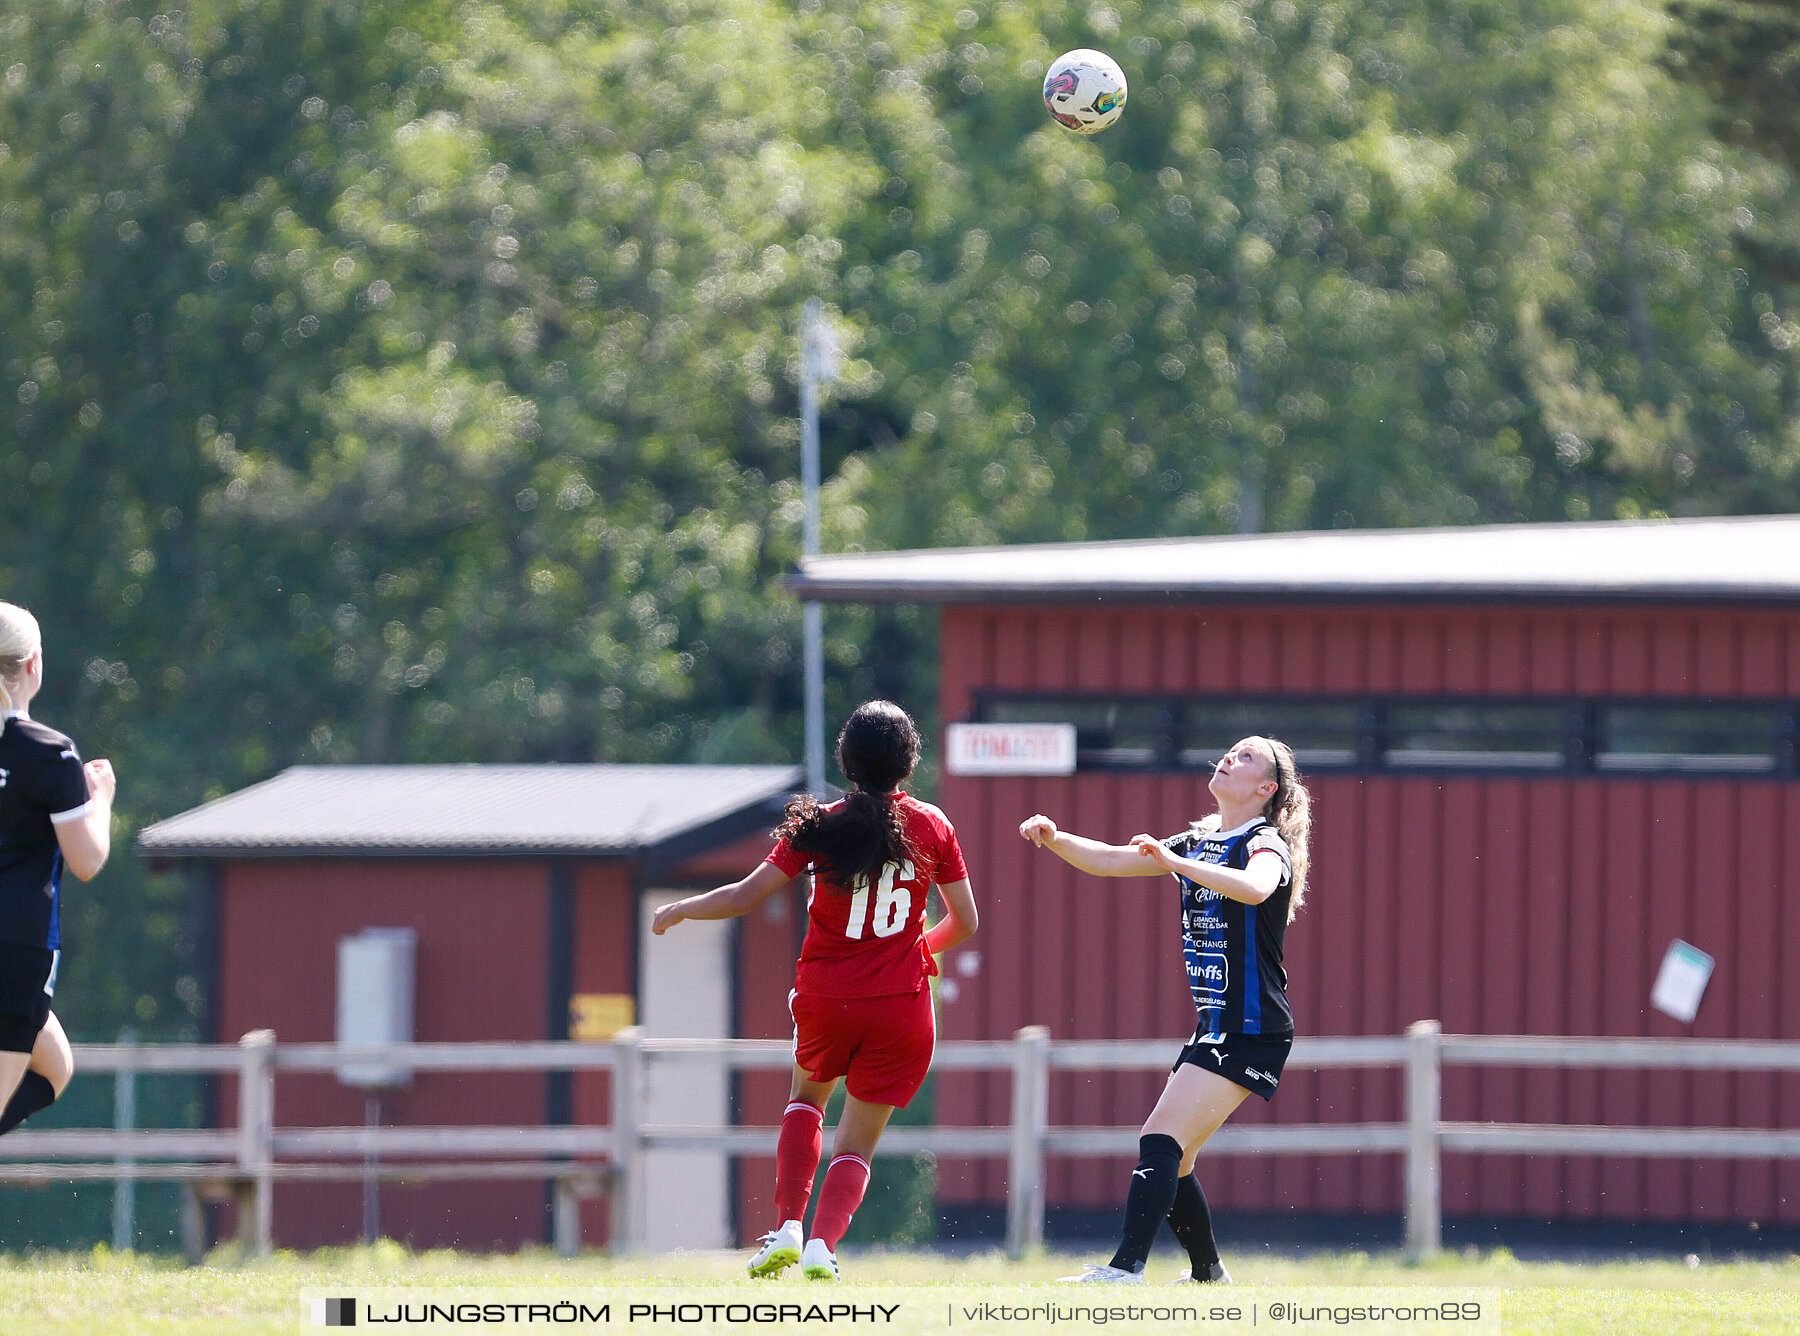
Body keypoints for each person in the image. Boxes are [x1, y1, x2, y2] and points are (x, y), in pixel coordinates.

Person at [652, 700, 977, 1281]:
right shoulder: (933, 824)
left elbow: (743, 896)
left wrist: (680, 908)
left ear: (846, 759)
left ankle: (787, 1227)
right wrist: (917, 951)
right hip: (901, 1007)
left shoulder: (821, 824)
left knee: (807, 1102)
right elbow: (966, 921)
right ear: (909, 762)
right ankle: (823, 1248)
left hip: (829, 997)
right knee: (857, 1144)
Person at [1019, 735, 1311, 1284]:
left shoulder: (1264, 842)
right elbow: (1109, 859)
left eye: (1246, 757)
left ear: (1266, 788)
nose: (1229, 757)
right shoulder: (1201, 841)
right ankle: (1209, 1276)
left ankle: (1125, 1270)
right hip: (1219, 1026)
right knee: (1175, 1160)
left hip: (1253, 1028)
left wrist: (1175, 860)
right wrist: (1055, 838)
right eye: (1230, 750)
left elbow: (1254, 888)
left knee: (1159, 1138)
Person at [0, 602, 115, 1139]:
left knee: (54, 1065)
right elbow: (87, 859)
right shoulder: (48, 754)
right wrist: (102, 799)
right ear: (31, 664)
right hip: (14, 955)